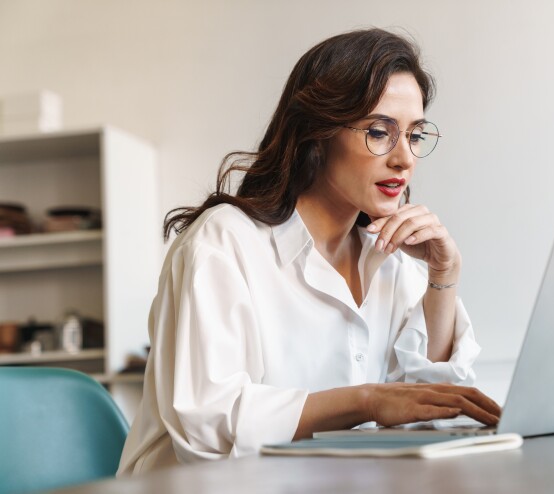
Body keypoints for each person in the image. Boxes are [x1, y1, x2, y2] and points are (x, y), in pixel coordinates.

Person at [118, 28, 501, 475]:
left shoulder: (392, 257)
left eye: (415, 135)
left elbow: (429, 411)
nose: (404, 159)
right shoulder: (223, 242)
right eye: (380, 132)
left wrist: (444, 275)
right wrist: (367, 401)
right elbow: (207, 423)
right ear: (317, 132)